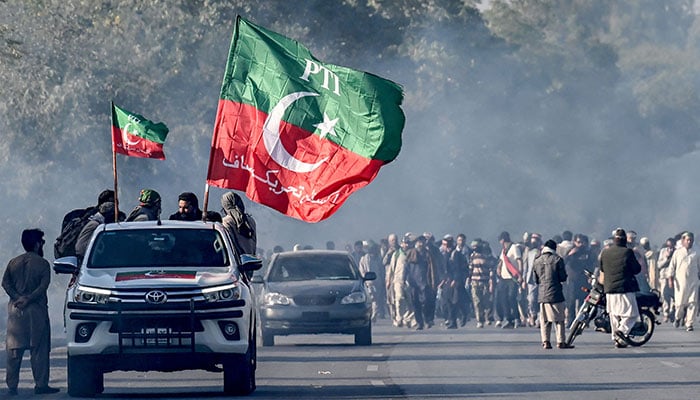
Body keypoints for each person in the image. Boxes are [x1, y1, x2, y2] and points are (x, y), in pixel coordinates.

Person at [2, 229, 60, 395]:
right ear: (36, 244)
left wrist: (17, 297)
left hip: (16, 312)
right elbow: (43, 287)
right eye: (41, 242)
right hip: (36, 312)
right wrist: (28, 299)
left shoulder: (13, 262)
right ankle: (41, 385)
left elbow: (5, 283)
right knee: (39, 349)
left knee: (14, 350)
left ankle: (12, 386)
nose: (42, 245)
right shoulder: (43, 264)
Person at [599, 228, 642, 348]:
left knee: (614, 315)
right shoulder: (627, 252)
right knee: (631, 314)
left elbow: (602, 268)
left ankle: (617, 339)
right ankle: (622, 331)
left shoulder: (605, 252)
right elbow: (637, 269)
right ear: (625, 241)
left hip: (609, 289)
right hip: (624, 289)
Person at [533, 239, 573, 349]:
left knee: (545, 320)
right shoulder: (558, 260)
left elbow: (535, 279)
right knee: (559, 319)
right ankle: (561, 341)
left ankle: (546, 341)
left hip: (543, 294)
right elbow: (563, 277)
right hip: (556, 293)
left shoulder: (537, 261)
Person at [668, 231, 700, 331]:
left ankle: (689, 323)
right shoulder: (677, 252)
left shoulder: (697, 252)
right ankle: (678, 318)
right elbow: (672, 267)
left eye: (691, 240)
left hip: (694, 281)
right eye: (687, 240)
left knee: (693, 302)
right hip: (680, 283)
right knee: (680, 304)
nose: (689, 242)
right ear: (683, 241)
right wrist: (670, 279)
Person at [406, 235, 436, 330]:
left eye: (422, 242)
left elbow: (432, 269)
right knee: (415, 303)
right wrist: (404, 280)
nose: (421, 244)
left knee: (426, 301)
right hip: (413, 282)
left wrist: (433, 281)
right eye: (419, 242)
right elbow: (405, 268)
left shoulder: (428, 254)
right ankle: (420, 323)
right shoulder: (410, 253)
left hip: (425, 282)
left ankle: (428, 320)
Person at [495, 231, 522, 329]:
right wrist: (498, 268)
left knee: (511, 298)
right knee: (504, 299)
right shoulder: (504, 250)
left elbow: (519, 261)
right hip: (503, 278)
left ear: (502, 240)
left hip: (512, 278)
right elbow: (502, 261)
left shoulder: (514, 248)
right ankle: (508, 319)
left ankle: (516, 318)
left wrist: (520, 275)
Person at [221, 191, 257, 255]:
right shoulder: (250, 220)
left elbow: (230, 245)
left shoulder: (225, 222)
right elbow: (254, 243)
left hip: (237, 261)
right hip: (252, 260)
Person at [656, 237, 676, 322]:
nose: (670, 249)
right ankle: (666, 313)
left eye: (671, 247)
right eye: (668, 247)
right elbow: (659, 265)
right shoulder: (663, 252)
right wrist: (667, 258)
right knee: (665, 295)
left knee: (674, 295)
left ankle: (672, 311)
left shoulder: (677, 252)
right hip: (664, 276)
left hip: (674, 277)